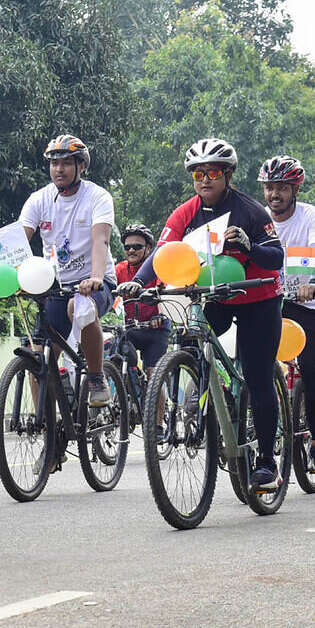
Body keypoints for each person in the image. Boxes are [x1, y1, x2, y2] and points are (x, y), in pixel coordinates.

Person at [119, 138, 284, 488]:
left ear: (228, 175)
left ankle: (268, 462)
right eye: (197, 174)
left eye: (212, 172)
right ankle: (211, 389)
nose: (204, 180)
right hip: (217, 295)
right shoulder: (185, 213)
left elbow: (276, 258)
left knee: (258, 377)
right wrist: (138, 282)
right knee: (193, 340)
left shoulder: (250, 211)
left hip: (259, 296)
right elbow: (163, 253)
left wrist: (250, 246)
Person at [0, 133, 115, 408]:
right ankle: (50, 437)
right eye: (54, 163)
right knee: (39, 361)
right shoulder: (39, 200)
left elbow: (100, 239)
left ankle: (95, 377)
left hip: (95, 282)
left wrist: (96, 277)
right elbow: (15, 246)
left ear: (81, 166)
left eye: (67, 162)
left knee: (80, 307)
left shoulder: (97, 197)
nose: (59, 169)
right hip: (54, 285)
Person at [260, 155, 315, 471]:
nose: (274, 195)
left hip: (308, 302)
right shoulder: (258, 217)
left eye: (281, 188)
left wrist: (313, 283)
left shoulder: (310, 217)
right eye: (269, 188)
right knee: (255, 365)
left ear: (295, 189)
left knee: (310, 367)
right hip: (270, 299)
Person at [113, 223, 171, 371]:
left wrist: (161, 315)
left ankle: (152, 391)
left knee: (153, 376)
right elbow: (108, 292)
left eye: (137, 247)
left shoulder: (158, 267)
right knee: (120, 365)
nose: (131, 250)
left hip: (156, 329)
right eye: (127, 247)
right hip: (131, 329)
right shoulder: (119, 270)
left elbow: (163, 290)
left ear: (149, 248)